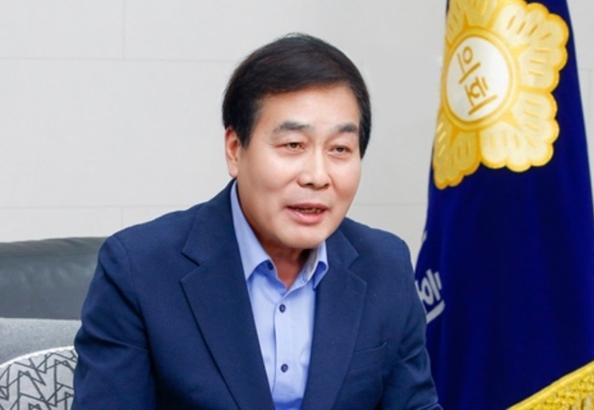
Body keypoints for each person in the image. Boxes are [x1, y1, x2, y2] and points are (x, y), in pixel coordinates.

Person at [73, 33, 441, 410]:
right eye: (293, 145)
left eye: (340, 149)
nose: (317, 176)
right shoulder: (139, 269)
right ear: (235, 150)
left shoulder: (385, 264)